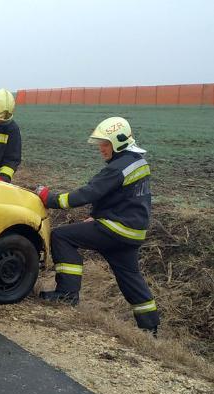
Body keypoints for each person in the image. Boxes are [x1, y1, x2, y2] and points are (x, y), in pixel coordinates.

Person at [35, 117, 158, 335]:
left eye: (105, 144)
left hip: (116, 228)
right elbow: (124, 199)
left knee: (62, 237)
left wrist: (50, 198)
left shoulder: (118, 168)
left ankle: (67, 295)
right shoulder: (137, 161)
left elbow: (88, 193)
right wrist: (99, 216)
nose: (101, 148)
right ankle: (150, 327)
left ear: (119, 142)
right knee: (130, 277)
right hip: (131, 231)